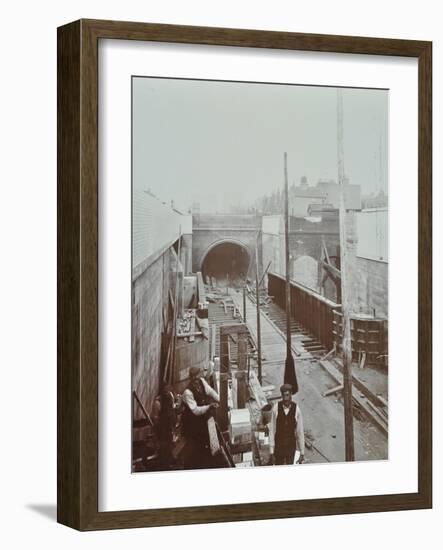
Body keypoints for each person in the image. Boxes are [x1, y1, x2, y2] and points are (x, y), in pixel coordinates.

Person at [181, 365, 220, 469]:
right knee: (195, 442)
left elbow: (210, 391)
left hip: (202, 417)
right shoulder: (187, 392)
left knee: (204, 438)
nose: (202, 374)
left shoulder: (201, 381)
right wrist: (209, 406)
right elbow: (195, 410)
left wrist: (220, 399)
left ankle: (205, 456)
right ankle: (194, 464)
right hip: (192, 421)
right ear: (194, 377)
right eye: (200, 373)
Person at [268, 383, 305, 465]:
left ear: (291, 394)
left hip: (290, 447)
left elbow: (300, 432)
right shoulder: (276, 408)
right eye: (284, 396)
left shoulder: (297, 409)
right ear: (281, 395)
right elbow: (272, 430)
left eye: (288, 395)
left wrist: (302, 452)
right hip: (279, 447)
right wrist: (271, 451)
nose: (286, 398)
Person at [152, 384, 178, 468]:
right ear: (162, 390)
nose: (167, 391)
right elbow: (156, 417)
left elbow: (173, 407)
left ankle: (169, 459)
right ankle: (163, 463)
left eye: (168, 388)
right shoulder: (158, 402)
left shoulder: (170, 396)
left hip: (170, 424)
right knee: (163, 444)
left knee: (170, 442)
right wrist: (157, 428)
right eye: (165, 389)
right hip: (162, 426)